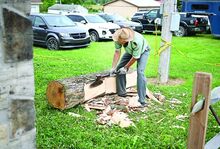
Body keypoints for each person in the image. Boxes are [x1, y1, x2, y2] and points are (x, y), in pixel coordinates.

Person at [110, 27, 150, 107]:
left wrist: (126, 68)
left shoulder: (137, 41)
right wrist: (113, 67)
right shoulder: (118, 37)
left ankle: (142, 100)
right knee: (118, 68)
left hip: (143, 51)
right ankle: (122, 93)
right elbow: (117, 52)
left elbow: (135, 57)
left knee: (140, 72)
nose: (118, 41)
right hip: (130, 51)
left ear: (125, 40)